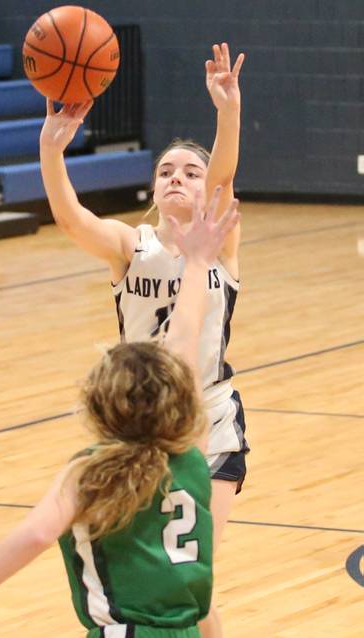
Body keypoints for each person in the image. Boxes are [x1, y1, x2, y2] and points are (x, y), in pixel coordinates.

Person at [0, 189, 241, 638]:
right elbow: (185, 349)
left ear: (98, 403)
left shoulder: (94, 471)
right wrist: (197, 265)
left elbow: (33, 536)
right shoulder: (193, 454)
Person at [38, 43, 246, 638]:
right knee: (154, 577)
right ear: (152, 189)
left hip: (208, 419)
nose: (177, 177)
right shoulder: (131, 247)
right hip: (138, 428)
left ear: (209, 192)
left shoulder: (219, 238)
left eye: (191, 171)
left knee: (192, 579)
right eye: (165, 171)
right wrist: (52, 151)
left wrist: (227, 113)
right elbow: (72, 217)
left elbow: (227, 176)